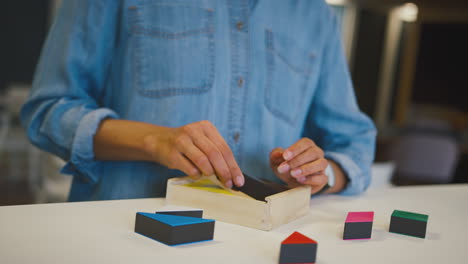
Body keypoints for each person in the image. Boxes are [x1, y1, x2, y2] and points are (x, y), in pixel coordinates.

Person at [21, 0, 376, 202]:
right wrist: (154, 140)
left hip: (260, 247)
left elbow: (353, 143)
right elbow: (48, 111)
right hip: (122, 240)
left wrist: (322, 172)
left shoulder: (317, 15)